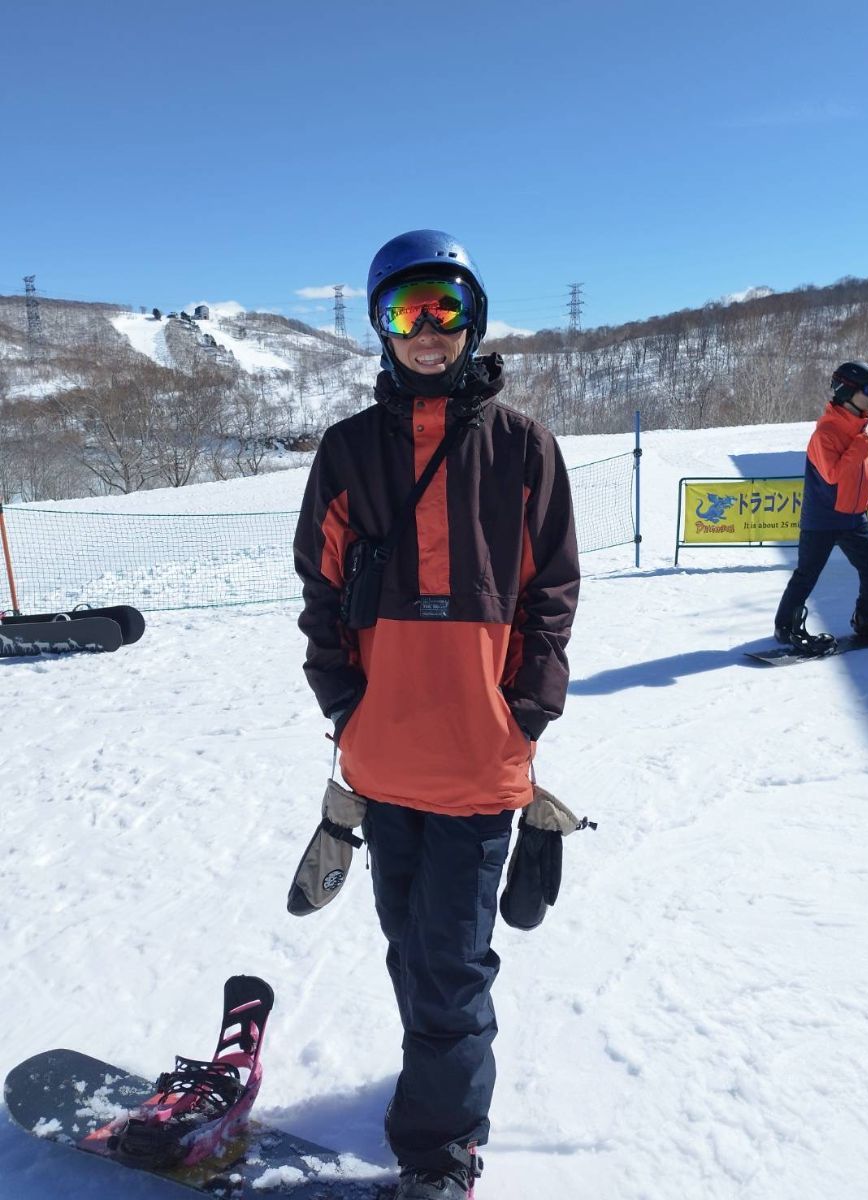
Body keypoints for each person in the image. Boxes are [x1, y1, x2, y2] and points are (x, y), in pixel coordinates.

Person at [293, 230, 580, 1200]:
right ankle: (436, 1083)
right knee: (410, 945)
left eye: (444, 309)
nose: (427, 331)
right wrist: (344, 703)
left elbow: (551, 593)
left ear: (473, 319)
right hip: (383, 756)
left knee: (450, 962)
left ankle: (442, 1148)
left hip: (478, 758)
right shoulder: (348, 451)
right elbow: (320, 589)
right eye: (406, 311)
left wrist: (525, 711)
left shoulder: (523, 448)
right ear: (381, 326)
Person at [774, 360, 868, 651]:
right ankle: (785, 627)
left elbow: (859, 474)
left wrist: (864, 503)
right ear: (847, 390)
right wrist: (859, 446)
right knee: (807, 575)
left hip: (854, 518)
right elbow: (832, 474)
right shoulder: (826, 432)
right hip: (823, 519)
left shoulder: (861, 430)